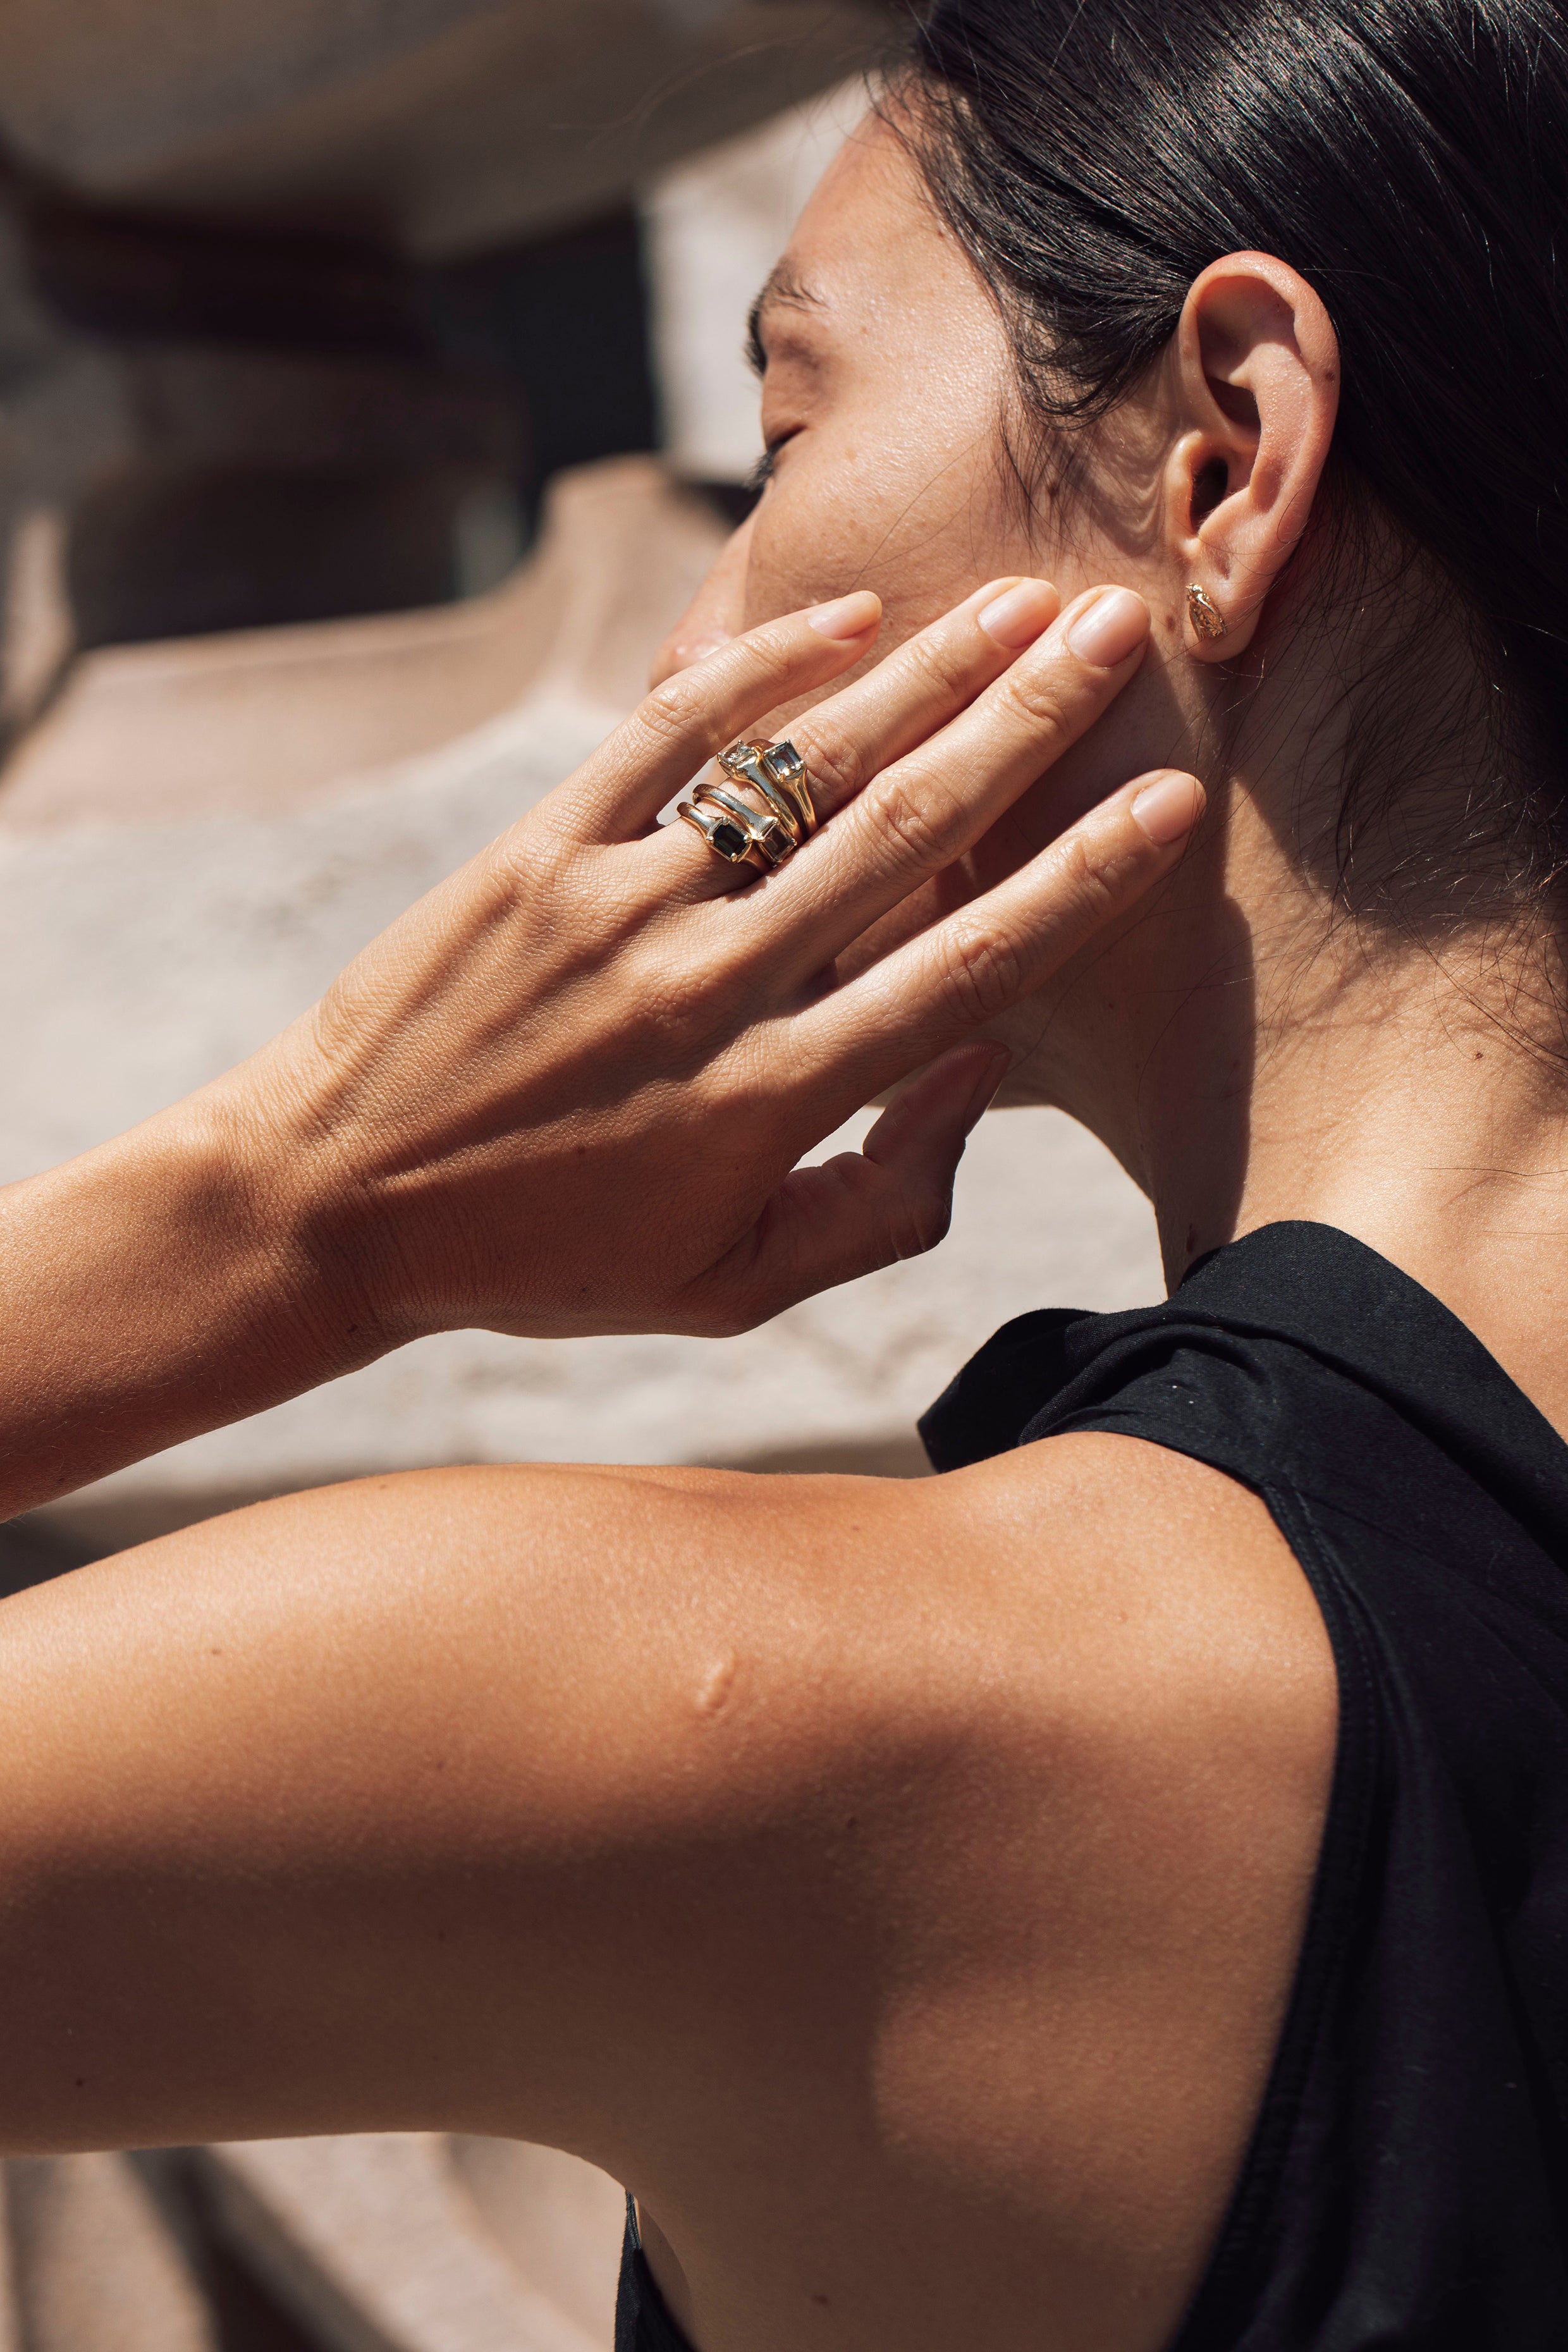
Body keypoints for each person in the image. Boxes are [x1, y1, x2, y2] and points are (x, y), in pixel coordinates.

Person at [1, 0, 1565, 2344]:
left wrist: (293, 1215)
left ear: (1229, 459)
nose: (688, 650)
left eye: (778, 446)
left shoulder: (806, 1717)